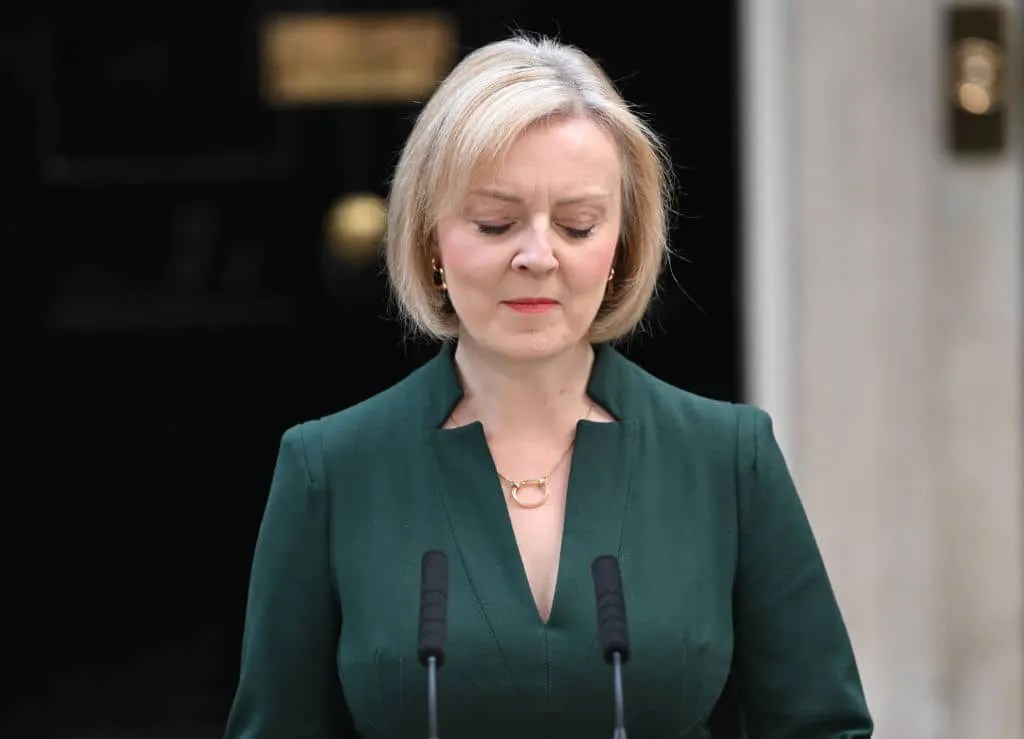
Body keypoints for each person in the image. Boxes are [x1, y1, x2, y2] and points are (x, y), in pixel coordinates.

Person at [223, 33, 873, 739]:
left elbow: (821, 726)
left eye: (577, 225)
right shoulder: (330, 468)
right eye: (495, 223)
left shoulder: (726, 457)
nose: (538, 256)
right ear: (431, 238)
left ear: (622, 245)